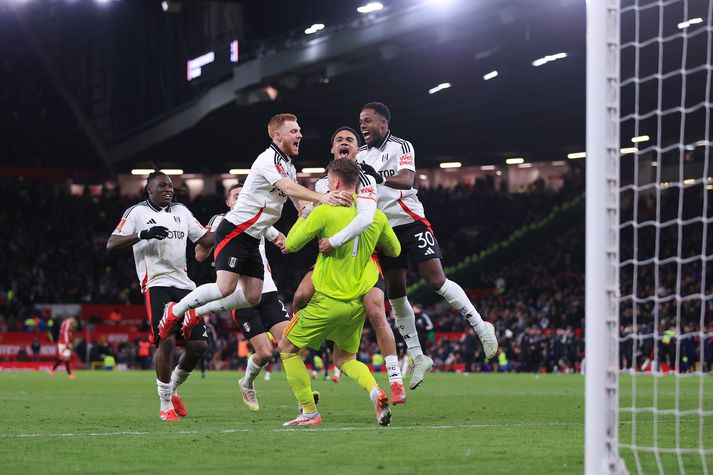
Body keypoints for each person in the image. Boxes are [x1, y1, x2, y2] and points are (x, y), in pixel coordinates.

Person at [159, 113, 352, 335]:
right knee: (226, 287)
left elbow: (298, 202)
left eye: (299, 130)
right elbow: (288, 188)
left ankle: (196, 312)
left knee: (252, 296)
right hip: (236, 230)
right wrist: (322, 198)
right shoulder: (267, 159)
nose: (300, 134)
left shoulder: (288, 165)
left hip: (253, 237)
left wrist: (317, 209)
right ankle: (176, 311)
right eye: (294, 131)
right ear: (278, 136)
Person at [356, 101, 498, 389]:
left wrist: (377, 174)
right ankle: (419, 357)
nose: (363, 126)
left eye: (368, 121)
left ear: (383, 124)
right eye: (360, 121)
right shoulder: (359, 155)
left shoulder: (401, 146)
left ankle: (482, 327)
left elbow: (408, 179)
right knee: (395, 293)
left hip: (410, 222)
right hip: (384, 231)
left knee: (435, 279)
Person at [278, 158, 401, 427]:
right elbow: (395, 250)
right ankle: (375, 392)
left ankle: (309, 412)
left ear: (334, 183)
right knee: (345, 358)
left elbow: (291, 245)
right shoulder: (375, 216)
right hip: (356, 304)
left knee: (287, 349)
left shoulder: (324, 211)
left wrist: (306, 212)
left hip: (326, 300)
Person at [106, 170, 214, 421]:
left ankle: (173, 388)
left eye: (170, 186)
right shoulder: (137, 213)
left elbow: (205, 238)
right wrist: (142, 234)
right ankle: (165, 405)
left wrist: (232, 223)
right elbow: (112, 243)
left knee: (199, 345)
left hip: (185, 284)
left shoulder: (181, 212)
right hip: (156, 284)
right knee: (165, 340)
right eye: (162, 186)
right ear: (149, 189)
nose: (169, 189)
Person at [194, 183, 290, 411]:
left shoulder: (257, 215)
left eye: (243, 195)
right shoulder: (219, 222)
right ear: (228, 203)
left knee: (290, 345)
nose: (240, 199)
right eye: (235, 196)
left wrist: (291, 242)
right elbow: (199, 254)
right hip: (240, 297)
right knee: (265, 353)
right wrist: (221, 242)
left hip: (267, 290)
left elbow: (280, 239)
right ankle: (246, 383)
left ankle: (303, 402)